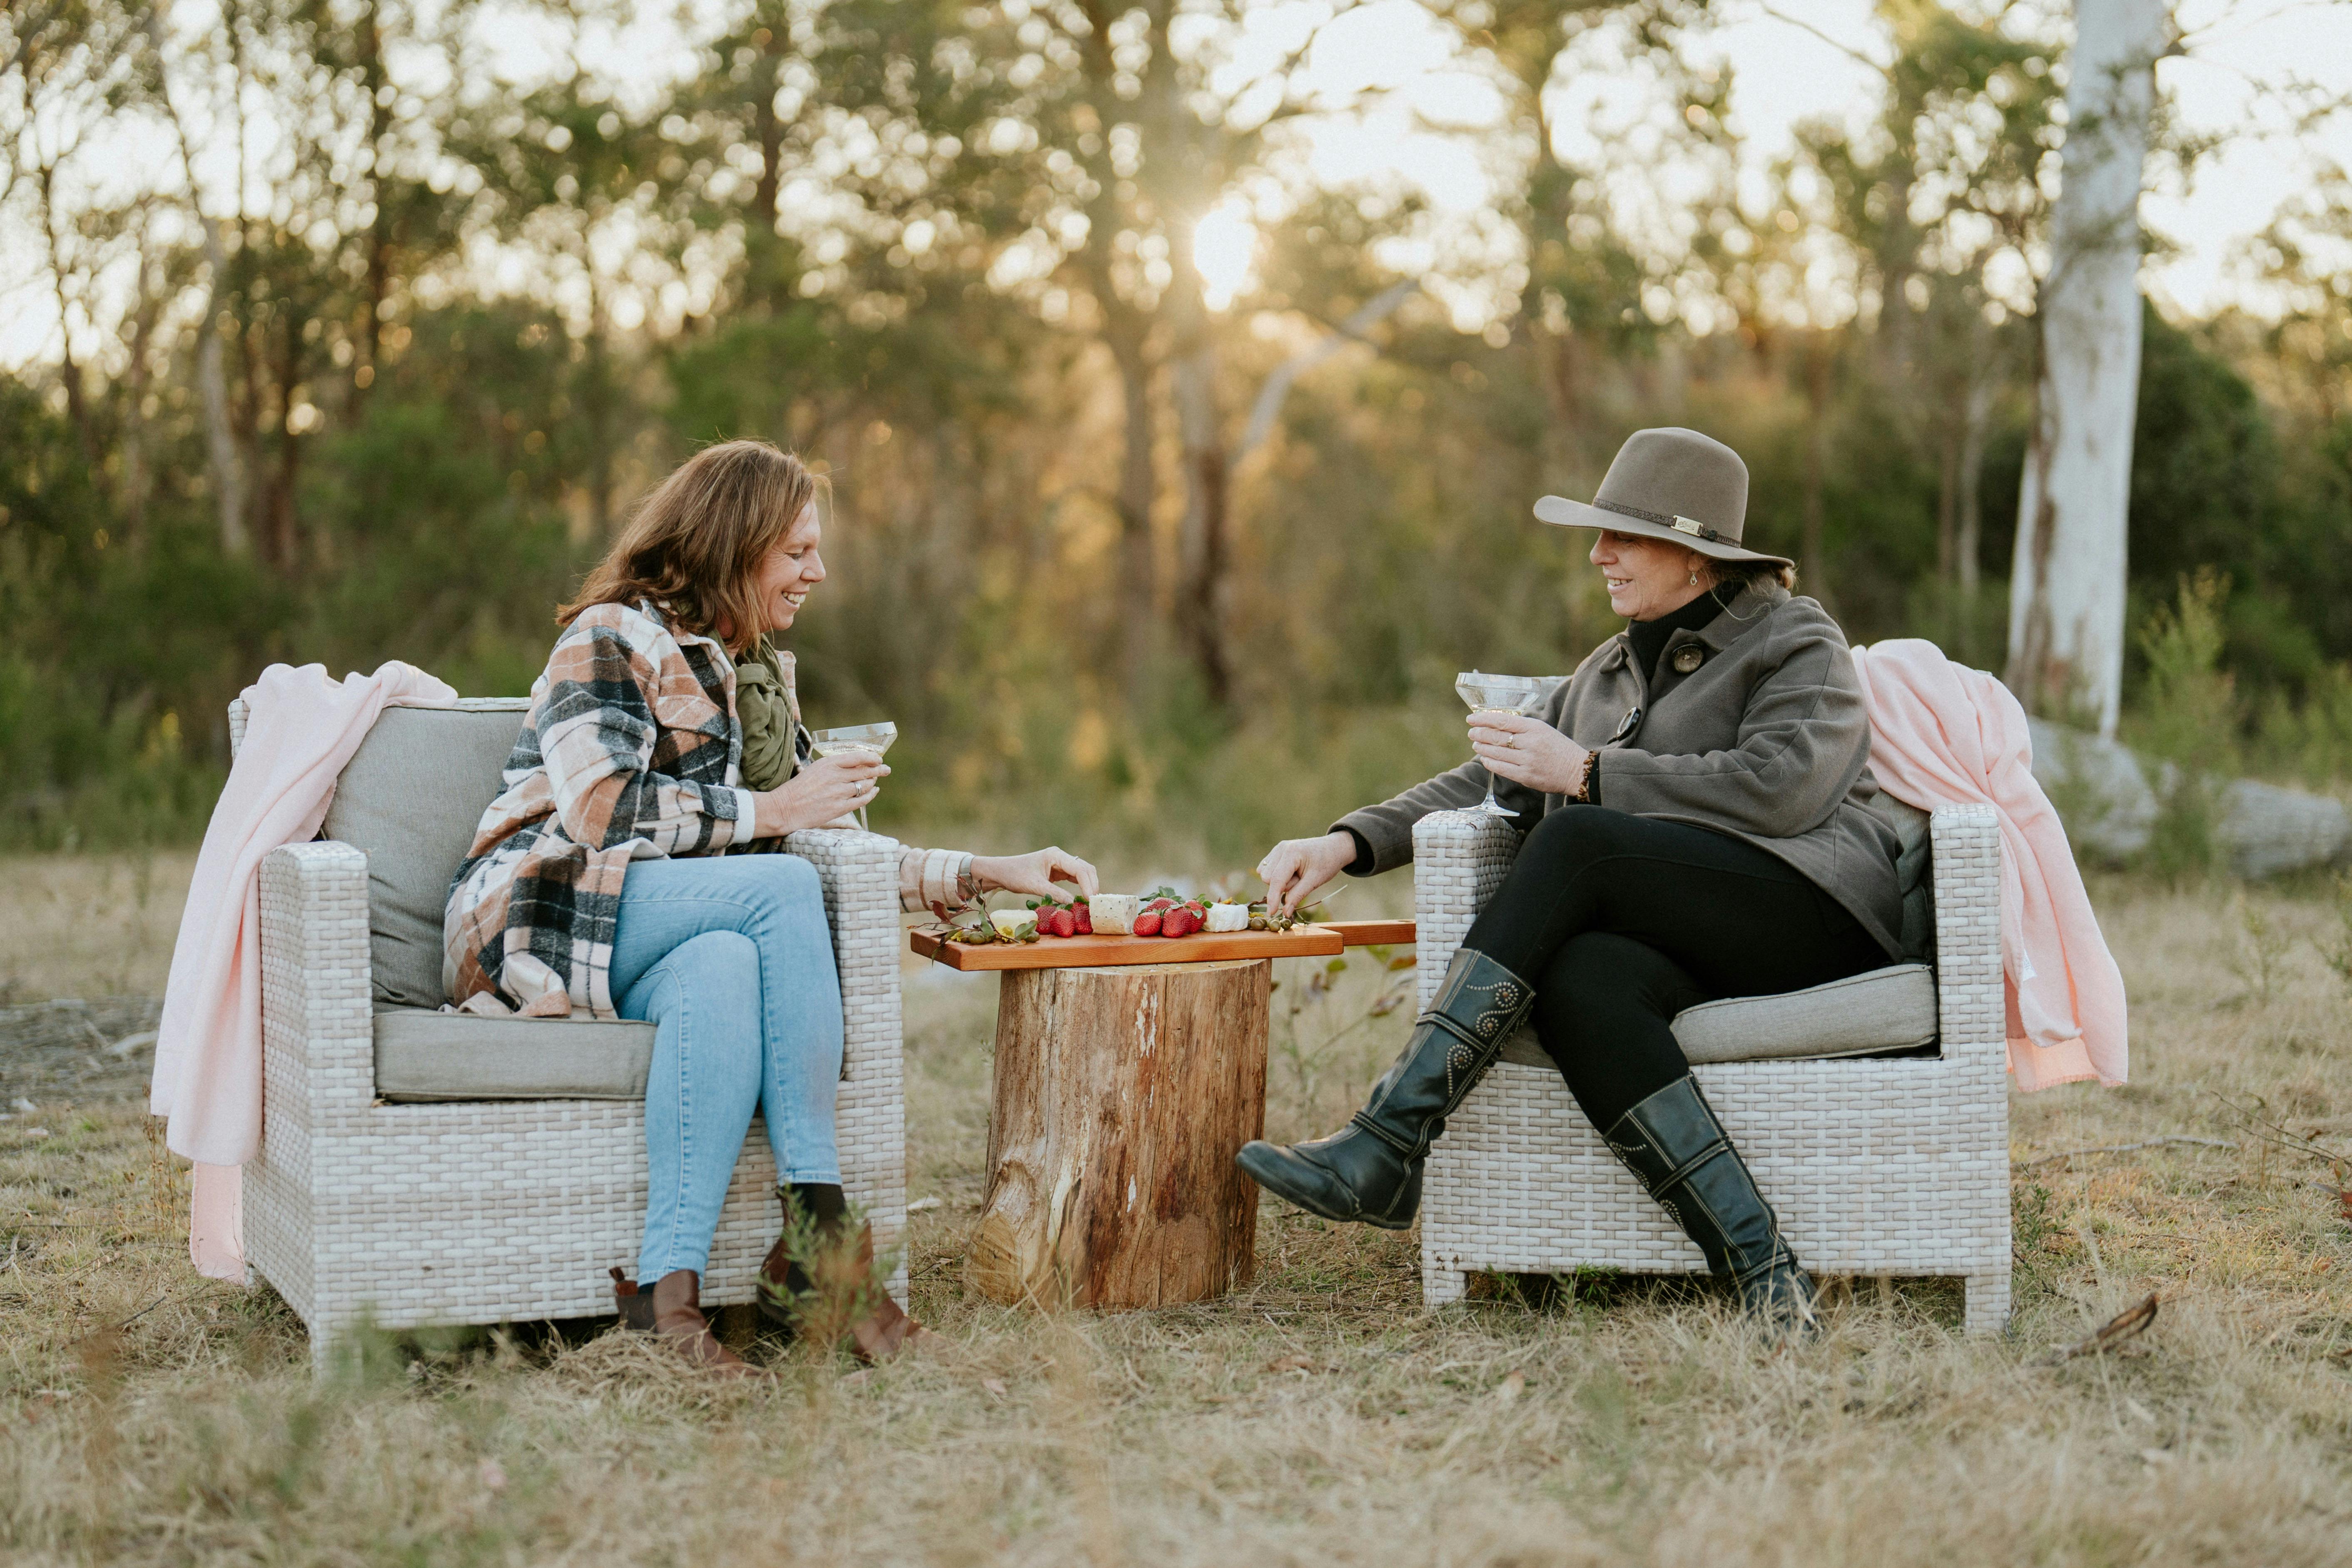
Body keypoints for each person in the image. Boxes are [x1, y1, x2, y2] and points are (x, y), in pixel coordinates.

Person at [446, 439, 1097, 1374]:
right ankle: (826, 1255)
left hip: (652, 926)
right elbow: (597, 811)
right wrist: (775, 807)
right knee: (778, 889)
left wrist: (985, 870)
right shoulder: (609, 635)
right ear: (732, 540)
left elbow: (812, 847)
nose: (817, 572)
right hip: (535, 908)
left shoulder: (749, 674)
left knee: (728, 962)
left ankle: (666, 1297)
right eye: (796, 551)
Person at [1241, 427, 1903, 1336]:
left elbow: (1782, 787)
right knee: (1582, 979)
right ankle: (1765, 1276)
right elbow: (1496, 776)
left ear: (1695, 553)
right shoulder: (1605, 666)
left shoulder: (1796, 638)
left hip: (1814, 911)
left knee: (1583, 838)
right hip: (1693, 931)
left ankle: (1390, 1141)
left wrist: (1590, 773)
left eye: (1619, 536)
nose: (1598, 554)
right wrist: (1349, 841)